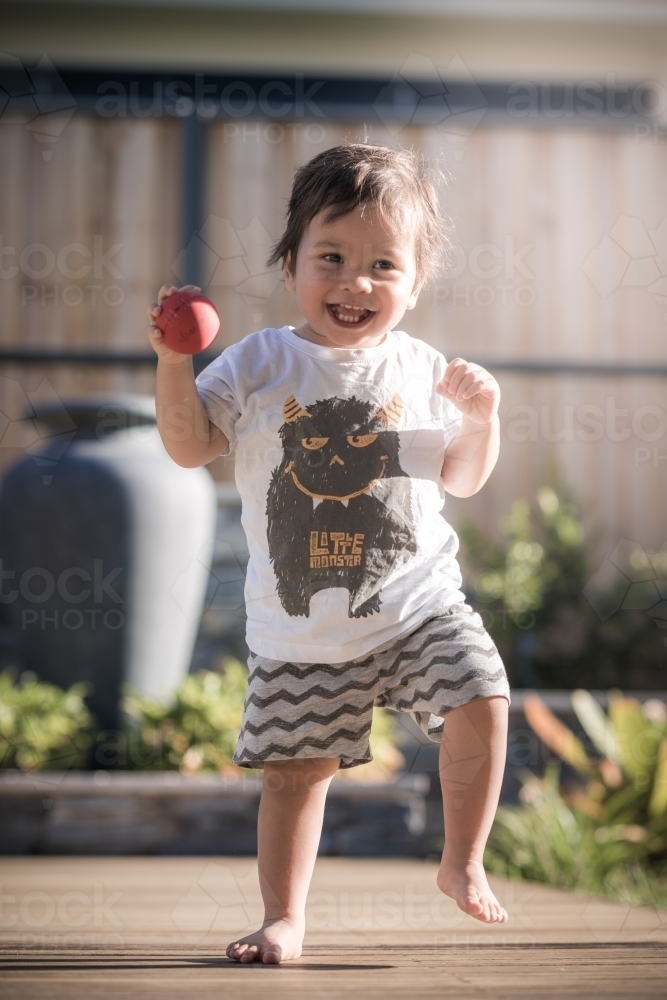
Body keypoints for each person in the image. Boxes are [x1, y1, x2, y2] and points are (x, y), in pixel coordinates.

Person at [147, 144, 510, 964]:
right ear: (290, 266)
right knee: (294, 775)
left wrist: (482, 420)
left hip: (417, 601)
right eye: (332, 258)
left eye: (384, 264)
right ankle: (283, 916)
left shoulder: (422, 370)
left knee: (482, 692)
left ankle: (461, 862)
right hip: (301, 624)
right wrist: (176, 362)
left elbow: (463, 476)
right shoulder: (261, 362)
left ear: (415, 282)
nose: (356, 282)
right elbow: (188, 444)